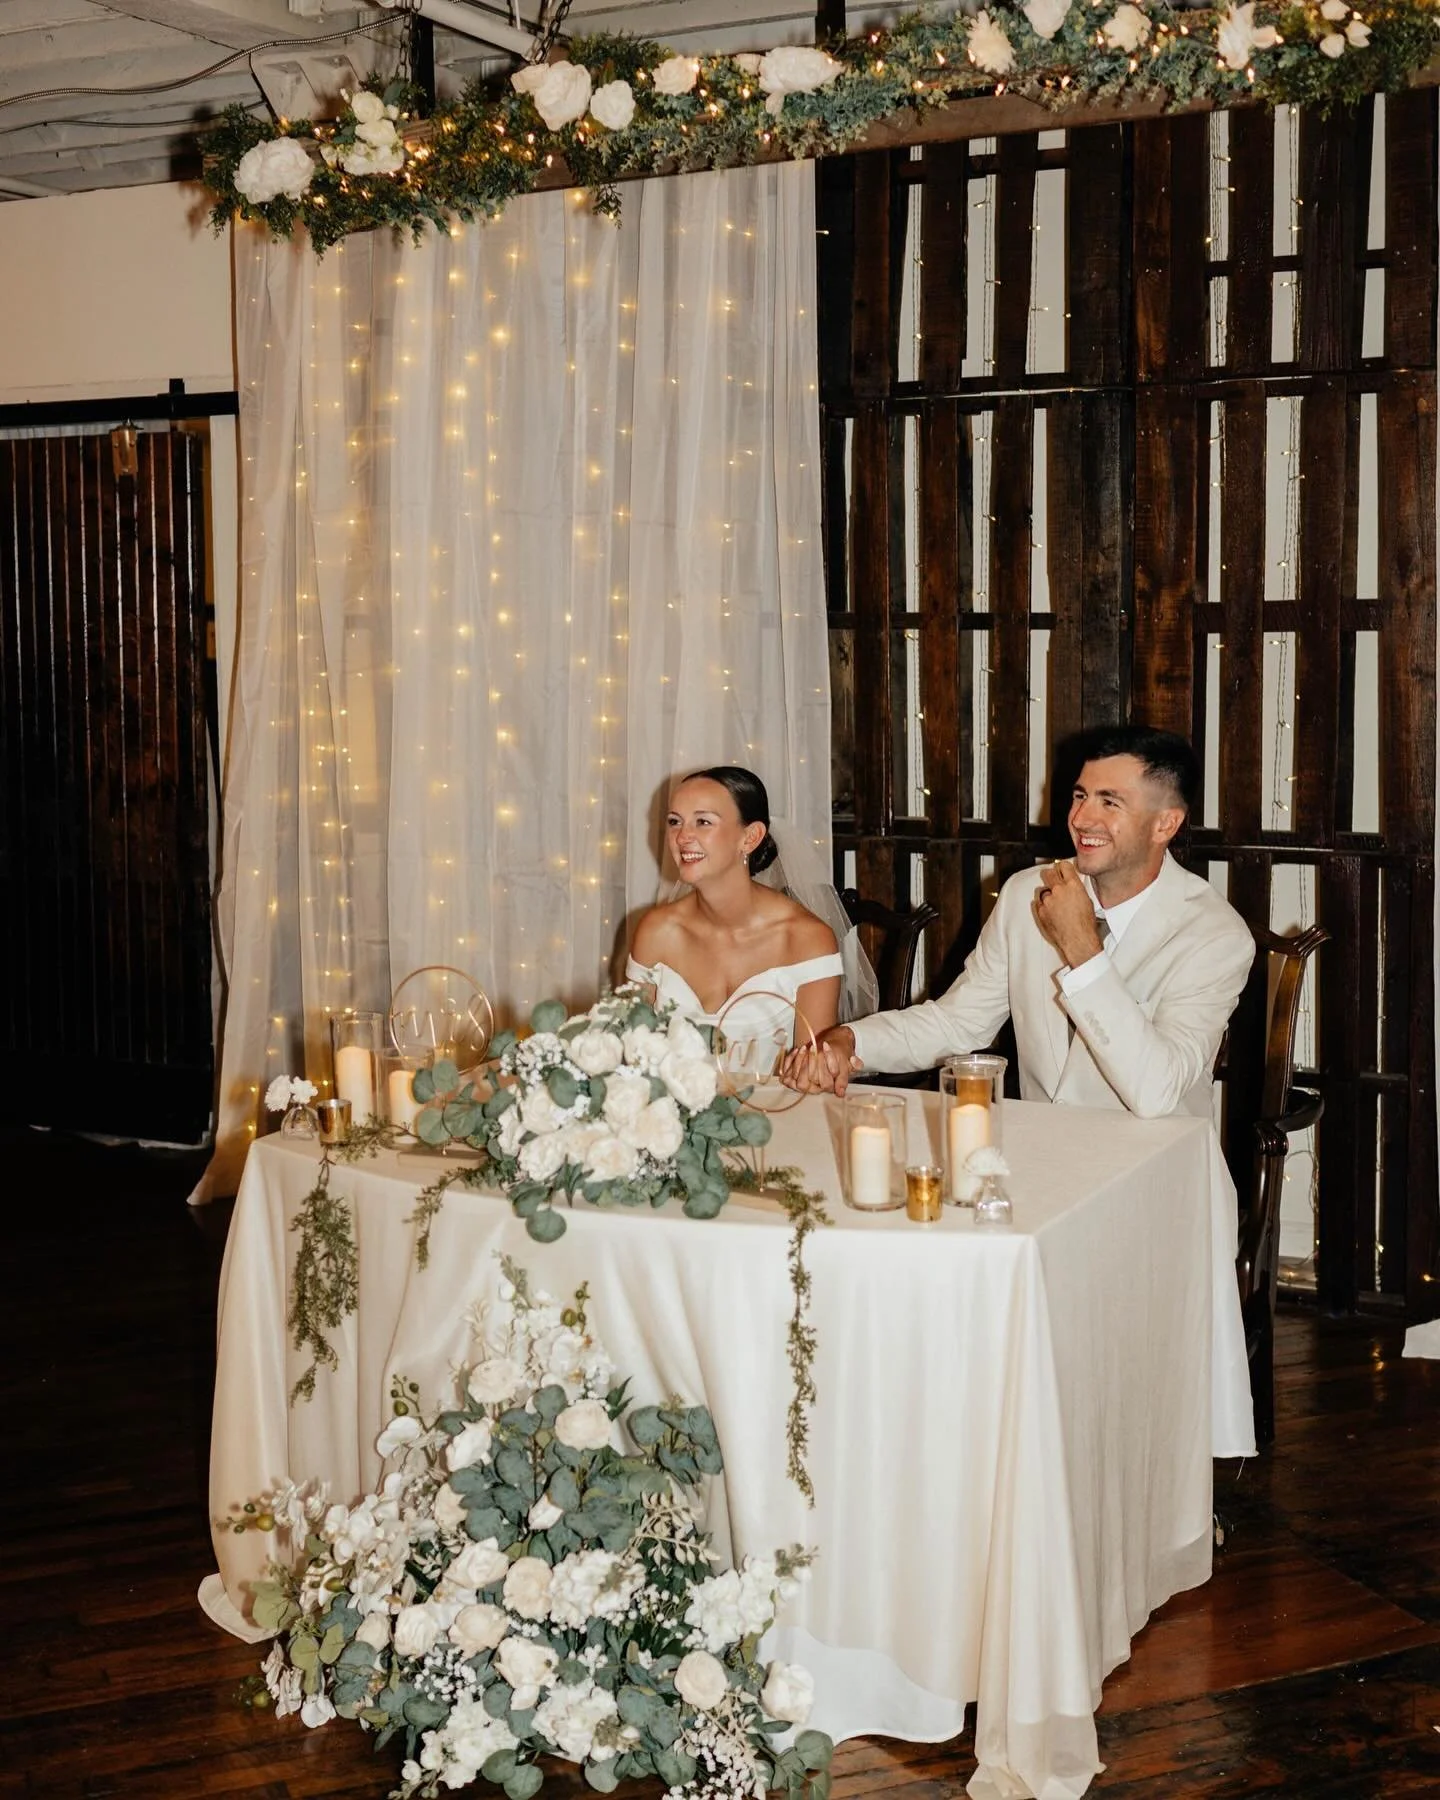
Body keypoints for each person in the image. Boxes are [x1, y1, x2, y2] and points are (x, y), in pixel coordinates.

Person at [781, 726, 1255, 1116]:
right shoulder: (1026, 892)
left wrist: (1083, 950)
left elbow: (1156, 1093)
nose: (1082, 817)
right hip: (1043, 1162)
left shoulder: (1215, 935)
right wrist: (849, 1037)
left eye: (1110, 802)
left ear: (1165, 825)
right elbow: (959, 1023)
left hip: (1159, 1183)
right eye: (1080, 795)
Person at [627, 766, 862, 1053]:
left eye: (703, 822)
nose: (682, 836)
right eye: (675, 821)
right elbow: (630, 1049)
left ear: (750, 837)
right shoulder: (657, 931)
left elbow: (814, 1075)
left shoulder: (806, 939)